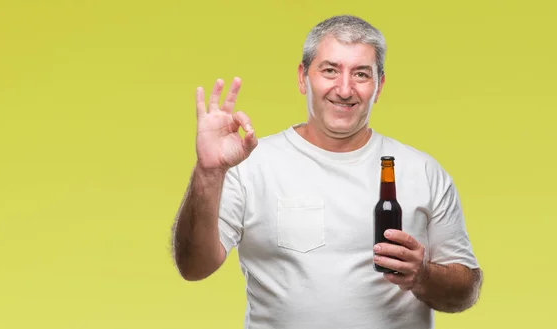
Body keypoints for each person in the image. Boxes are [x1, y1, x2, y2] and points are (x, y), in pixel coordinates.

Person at [170, 14, 483, 329]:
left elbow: (465, 292)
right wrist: (208, 173)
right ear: (303, 78)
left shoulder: (423, 172)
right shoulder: (251, 164)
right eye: (330, 70)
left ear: (379, 86)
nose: (344, 89)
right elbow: (194, 267)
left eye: (361, 74)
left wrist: (424, 276)